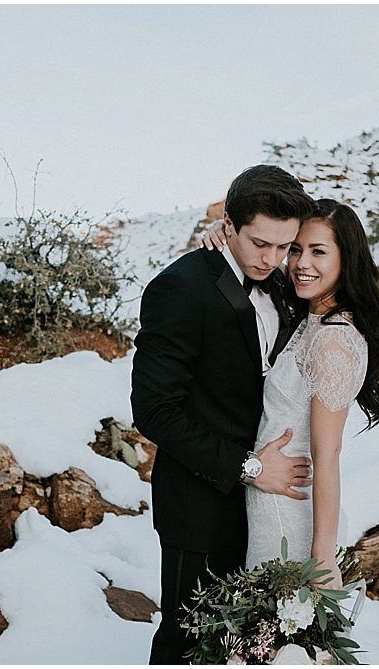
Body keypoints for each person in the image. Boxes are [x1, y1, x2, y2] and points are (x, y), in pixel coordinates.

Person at [131, 165, 317, 665]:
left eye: (285, 246)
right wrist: (250, 468)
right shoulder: (180, 289)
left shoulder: (280, 282)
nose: (273, 259)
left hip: (272, 511)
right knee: (186, 642)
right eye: (260, 243)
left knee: (249, 645)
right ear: (228, 224)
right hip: (200, 505)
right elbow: (154, 411)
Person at [201, 198, 379, 591]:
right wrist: (227, 242)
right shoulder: (311, 318)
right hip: (266, 497)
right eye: (296, 250)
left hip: (286, 511)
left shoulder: (333, 341)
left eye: (319, 251)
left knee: (275, 634)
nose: (302, 263)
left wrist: (322, 553)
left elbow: (328, 453)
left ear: (347, 258)